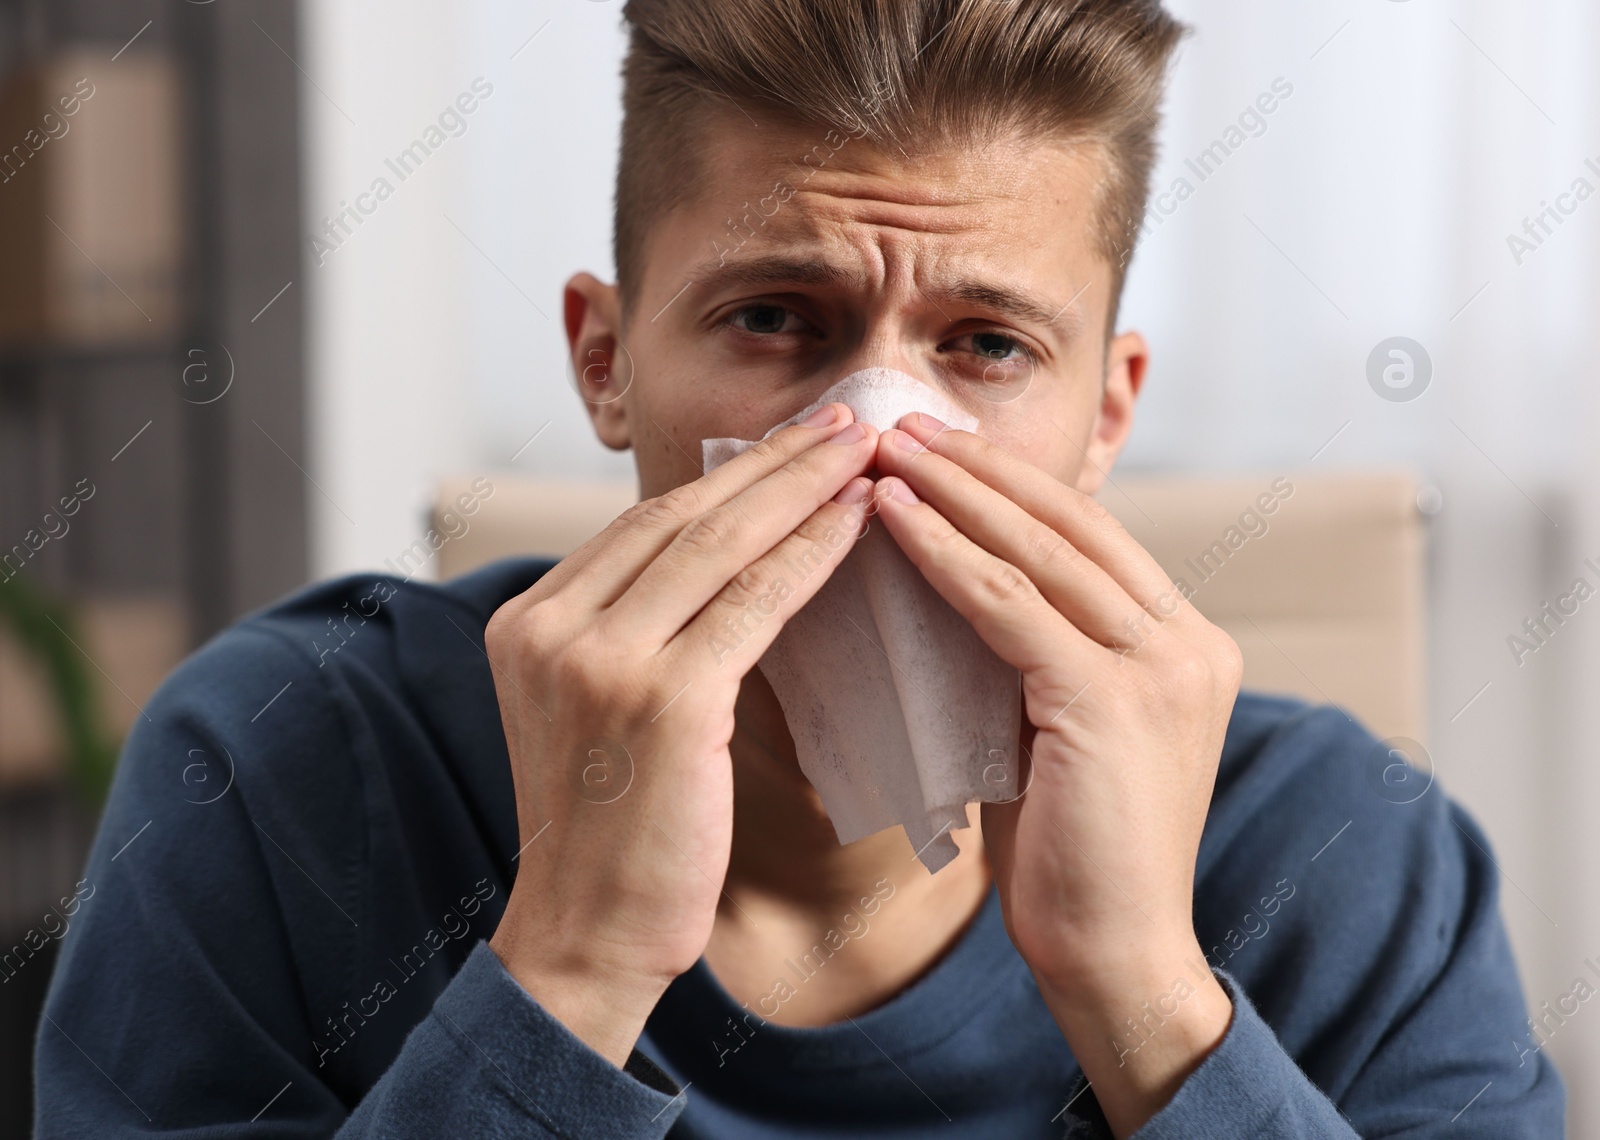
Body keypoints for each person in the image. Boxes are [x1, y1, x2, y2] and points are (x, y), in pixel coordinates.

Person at [34, 0, 1565, 1136]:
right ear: (605, 360)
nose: (878, 437)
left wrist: (1151, 1007)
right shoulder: (276, 771)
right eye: (776, 316)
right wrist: (569, 968)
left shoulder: (1348, 864)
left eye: (985, 345)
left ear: (1108, 413)